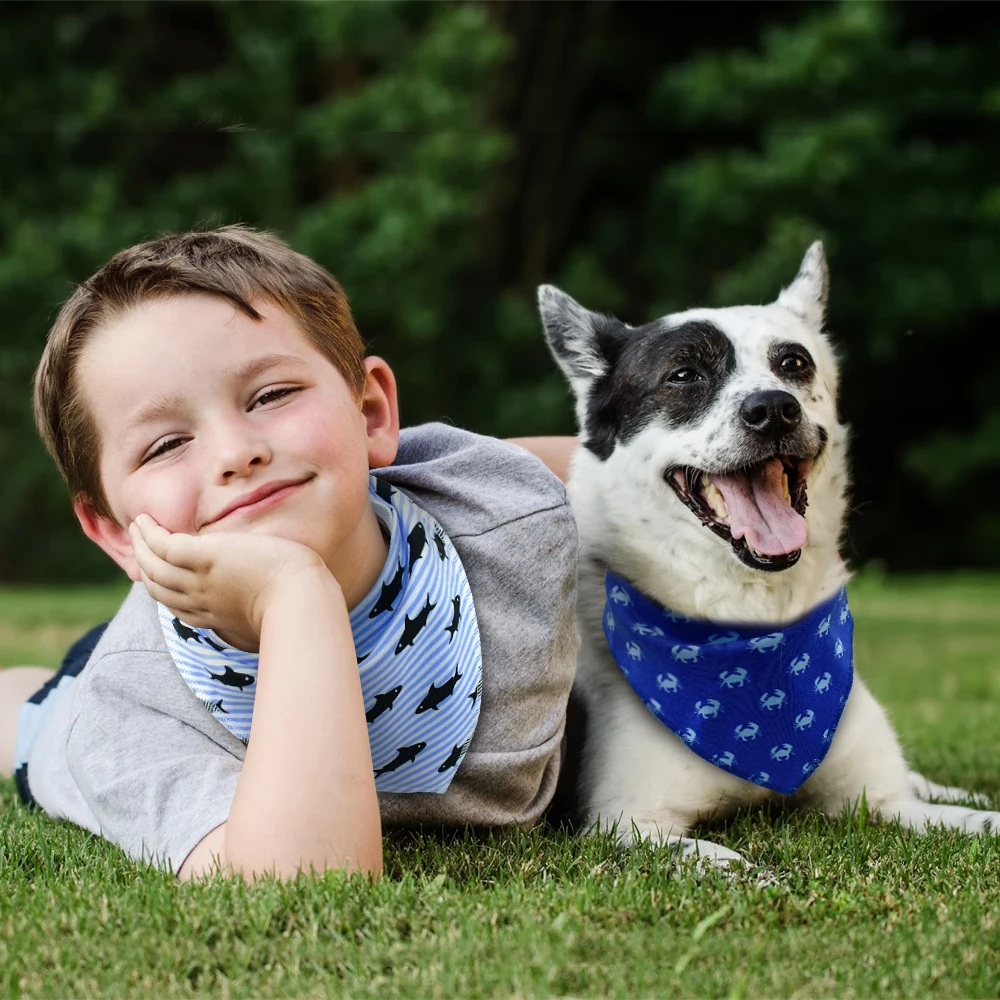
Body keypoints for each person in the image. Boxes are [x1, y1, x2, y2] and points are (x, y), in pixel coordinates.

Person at [0, 225, 579, 881]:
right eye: (164, 445)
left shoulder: (500, 506)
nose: (234, 453)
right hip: (138, 672)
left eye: (272, 395)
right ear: (111, 532)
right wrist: (293, 592)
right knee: (29, 719)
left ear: (370, 414)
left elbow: (633, 470)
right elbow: (301, 885)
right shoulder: (125, 715)